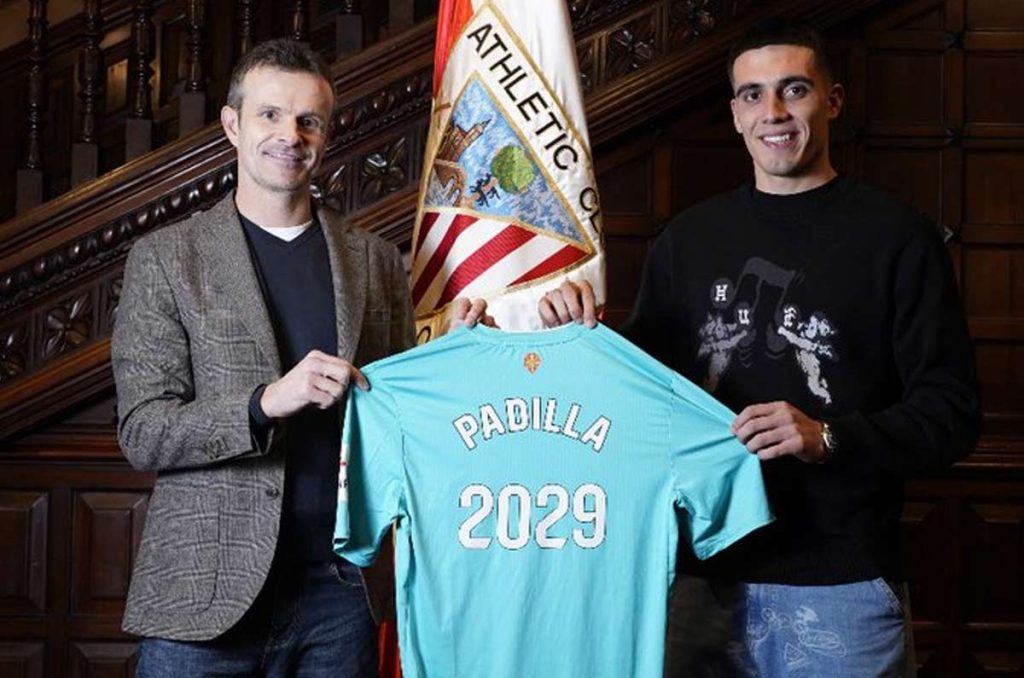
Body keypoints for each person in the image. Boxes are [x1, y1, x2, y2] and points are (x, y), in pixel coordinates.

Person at [539, 18, 980, 677]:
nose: (773, 111)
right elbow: (641, 396)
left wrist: (827, 436)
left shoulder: (898, 238)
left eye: (793, 89)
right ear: (736, 114)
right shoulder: (687, 240)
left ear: (832, 100)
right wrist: (578, 339)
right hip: (698, 578)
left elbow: (952, 413)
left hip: (842, 583)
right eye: (753, 94)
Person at [112, 39, 486, 676]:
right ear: (232, 124)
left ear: (326, 134)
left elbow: (392, 413)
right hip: (203, 600)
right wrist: (265, 403)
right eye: (270, 115)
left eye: (308, 120)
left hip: (339, 595)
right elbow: (144, 432)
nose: (290, 134)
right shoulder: (167, 259)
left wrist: (445, 358)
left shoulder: (374, 260)